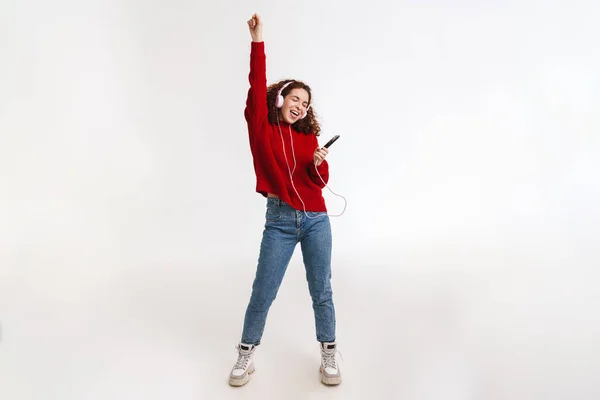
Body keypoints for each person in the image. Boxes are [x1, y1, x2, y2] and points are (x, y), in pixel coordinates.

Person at [228, 13, 341, 387]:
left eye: (306, 103)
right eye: (295, 98)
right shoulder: (262, 125)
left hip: (315, 219)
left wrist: (318, 165)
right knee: (263, 290)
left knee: (321, 289)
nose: (301, 106)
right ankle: (246, 353)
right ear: (280, 98)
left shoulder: (308, 139)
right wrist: (258, 40)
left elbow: (317, 183)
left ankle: (328, 351)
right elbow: (256, 81)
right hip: (279, 219)